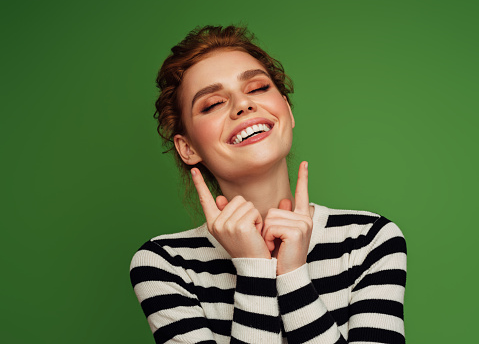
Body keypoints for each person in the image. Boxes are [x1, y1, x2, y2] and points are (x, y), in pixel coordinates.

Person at [130, 25, 407, 344]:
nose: (243, 105)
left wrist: (293, 277)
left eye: (258, 87)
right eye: (212, 104)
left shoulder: (369, 239)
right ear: (187, 147)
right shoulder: (164, 264)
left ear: (287, 112)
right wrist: (254, 269)